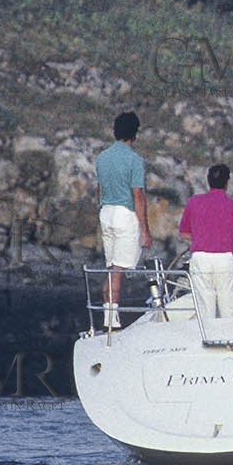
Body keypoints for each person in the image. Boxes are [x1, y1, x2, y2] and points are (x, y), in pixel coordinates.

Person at [95, 111, 152, 329]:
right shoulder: (134, 160)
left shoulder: (102, 157)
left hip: (106, 211)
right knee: (118, 269)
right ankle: (112, 320)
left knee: (111, 266)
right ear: (134, 134)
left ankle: (109, 315)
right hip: (124, 214)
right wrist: (145, 231)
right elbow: (138, 196)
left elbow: (99, 190)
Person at [178, 163, 233, 322]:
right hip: (225, 259)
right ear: (228, 182)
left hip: (200, 258)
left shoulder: (194, 202)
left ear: (208, 180)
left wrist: (202, 238)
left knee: (205, 308)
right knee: (230, 309)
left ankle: (205, 341)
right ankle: (230, 342)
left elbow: (184, 233)